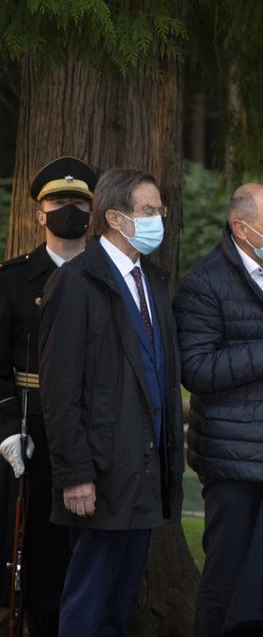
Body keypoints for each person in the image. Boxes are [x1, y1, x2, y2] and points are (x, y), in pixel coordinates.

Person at [38, 168, 184, 636]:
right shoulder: (77, 282)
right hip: (99, 475)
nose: (159, 218)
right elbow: (59, 391)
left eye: (159, 209)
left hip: (144, 472)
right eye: (149, 211)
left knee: (120, 606)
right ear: (116, 218)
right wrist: (75, 474)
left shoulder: (153, 282)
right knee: (89, 603)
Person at [173, 183, 263, 636]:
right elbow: (194, 369)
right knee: (226, 578)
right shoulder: (203, 283)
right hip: (231, 461)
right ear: (241, 228)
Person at [0, 156, 95, 635]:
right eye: (59, 202)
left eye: (79, 202)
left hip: (98, 425)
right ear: (39, 214)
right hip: (32, 427)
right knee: (38, 549)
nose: (69, 210)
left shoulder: (110, 276)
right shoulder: (13, 280)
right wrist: (6, 430)